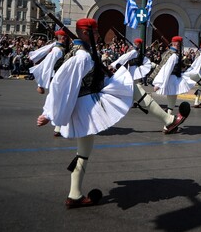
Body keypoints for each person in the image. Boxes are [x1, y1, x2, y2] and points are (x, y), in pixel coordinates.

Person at [36, 18, 134, 208]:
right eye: (96, 33)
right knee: (83, 152)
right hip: (84, 107)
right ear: (86, 33)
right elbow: (61, 84)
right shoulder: (82, 56)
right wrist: (48, 113)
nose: (98, 36)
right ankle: (74, 196)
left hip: (86, 103)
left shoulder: (84, 53)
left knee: (84, 151)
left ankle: (75, 194)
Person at [111, 38, 191, 134]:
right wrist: (113, 66)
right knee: (136, 88)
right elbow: (166, 69)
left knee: (137, 88)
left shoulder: (168, 54)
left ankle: (168, 121)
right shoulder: (134, 52)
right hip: (169, 78)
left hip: (137, 72)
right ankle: (168, 121)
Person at [152, 36, 195, 129]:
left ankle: (168, 122)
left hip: (172, 78)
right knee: (171, 101)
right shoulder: (173, 55)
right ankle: (168, 124)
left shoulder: (171, 53)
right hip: (171, 79)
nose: (180, 46)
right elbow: (166, 70)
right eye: (180, 44)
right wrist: (160, 84)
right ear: (177, 44)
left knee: (171, 102)